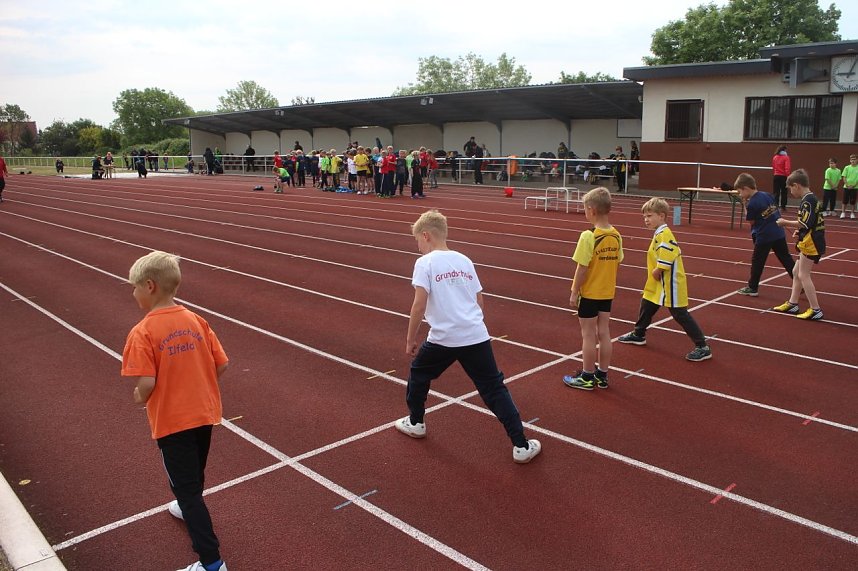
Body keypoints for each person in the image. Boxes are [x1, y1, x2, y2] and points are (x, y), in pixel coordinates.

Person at [396, 209, 541, 464]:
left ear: (426, 236)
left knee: (419, 374)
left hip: (442, 337)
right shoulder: (464, 260)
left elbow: (419, 304)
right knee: (494, 388)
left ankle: (416, 422)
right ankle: (521, 444)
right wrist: (472, 325)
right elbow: (479, 299)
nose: (418, 246)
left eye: (417, 240)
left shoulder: (425, 263)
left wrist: (410, 339)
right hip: (474, 335)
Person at [120, 251, 229, 571]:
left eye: (134, 286)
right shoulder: (196, 320)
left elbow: (148, 382)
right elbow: (221, 364)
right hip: (204, 413)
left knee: (187, 488)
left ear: (150, 286)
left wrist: (139, 395)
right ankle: (185, 505)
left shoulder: (142, 332)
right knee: (193, 475)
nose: (133, 292)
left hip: (172, 421)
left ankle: (211, 563)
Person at [618, 197, 712, 362]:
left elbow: (668, 253)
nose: (646, 220)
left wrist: (659, 269)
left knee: (679, 313)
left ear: (661, 216)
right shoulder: (659, 233)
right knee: (647, 303)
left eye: (649, 216)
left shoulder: (664, 234)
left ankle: (702, 346)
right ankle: (639, 333)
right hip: (659, 283)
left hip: (670, 283)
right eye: (644, 217)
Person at [562, 188, 624, 390]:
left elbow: (582, 267)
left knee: (588, 335)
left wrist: (574, 291)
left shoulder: (588, 236)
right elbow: (618, 262)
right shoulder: (616, 235)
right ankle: (602, 374)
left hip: (589, 293)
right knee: (604, 332)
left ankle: (587, 376)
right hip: (607, 292)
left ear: (591, 210)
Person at [773, 169, 825, 320]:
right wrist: (800, 232)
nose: (790, 191)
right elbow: (811, 223)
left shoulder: (808, 200)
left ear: (796, 185)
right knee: (796, 272)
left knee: (803, 274)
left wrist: (785, 223)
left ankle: (815, 309)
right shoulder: (810, 198)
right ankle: (793, 303)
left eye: (790, 188)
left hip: (812, 242)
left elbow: (805, 222)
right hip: (809, 238)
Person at [732, 173, 795, 297]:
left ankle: (752, 287)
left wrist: (745, 205)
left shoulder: (752, 203)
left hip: (764, 235)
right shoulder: (767, 195)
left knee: (758, 261)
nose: (740, 194)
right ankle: (799, 283)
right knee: (786, 258)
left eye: (740, 192)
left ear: (745, 188)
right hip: (778, 232)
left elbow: (751, 221)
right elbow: (774, 209)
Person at [771, 144, 791, 210]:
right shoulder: (786, 157)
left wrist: (775, 173)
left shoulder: (775, 157)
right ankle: (783, 206)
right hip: (783, 176)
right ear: (785, 150)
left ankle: (775, 205)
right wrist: (788, 176)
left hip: (776, 176)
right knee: (784, 192)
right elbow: (787, 168)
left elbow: (773, 167)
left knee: (776, 192)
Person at [840, 153, 858, 219]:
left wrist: (854, 185)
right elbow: (844, 177)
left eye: (854, 159)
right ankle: (843, 212)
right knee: (844, 200)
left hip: (855, 187)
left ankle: (852, 213)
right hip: (846, 187)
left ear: (857, 160)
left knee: (853, 201)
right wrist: (847, 185)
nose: (853, 161)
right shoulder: (847, 167)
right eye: (851, 159)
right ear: (850, 160)